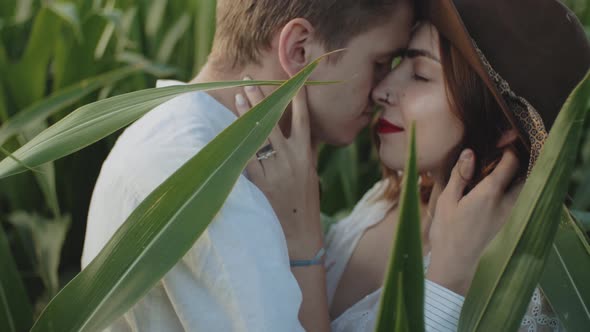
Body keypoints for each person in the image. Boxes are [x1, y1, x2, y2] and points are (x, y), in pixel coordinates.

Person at [82, 0, 528, 331]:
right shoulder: (212, 186)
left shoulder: (195, 143)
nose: (380, 90)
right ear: (299, 50)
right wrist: (446, 290)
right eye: (378, 63)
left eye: (413, 71)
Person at [235, 0, 590, 331]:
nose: (381, 90)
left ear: (501, 128)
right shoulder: (391, 197)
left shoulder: (520, 294)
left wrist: (448, 284)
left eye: (420, 74)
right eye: (396, 62)